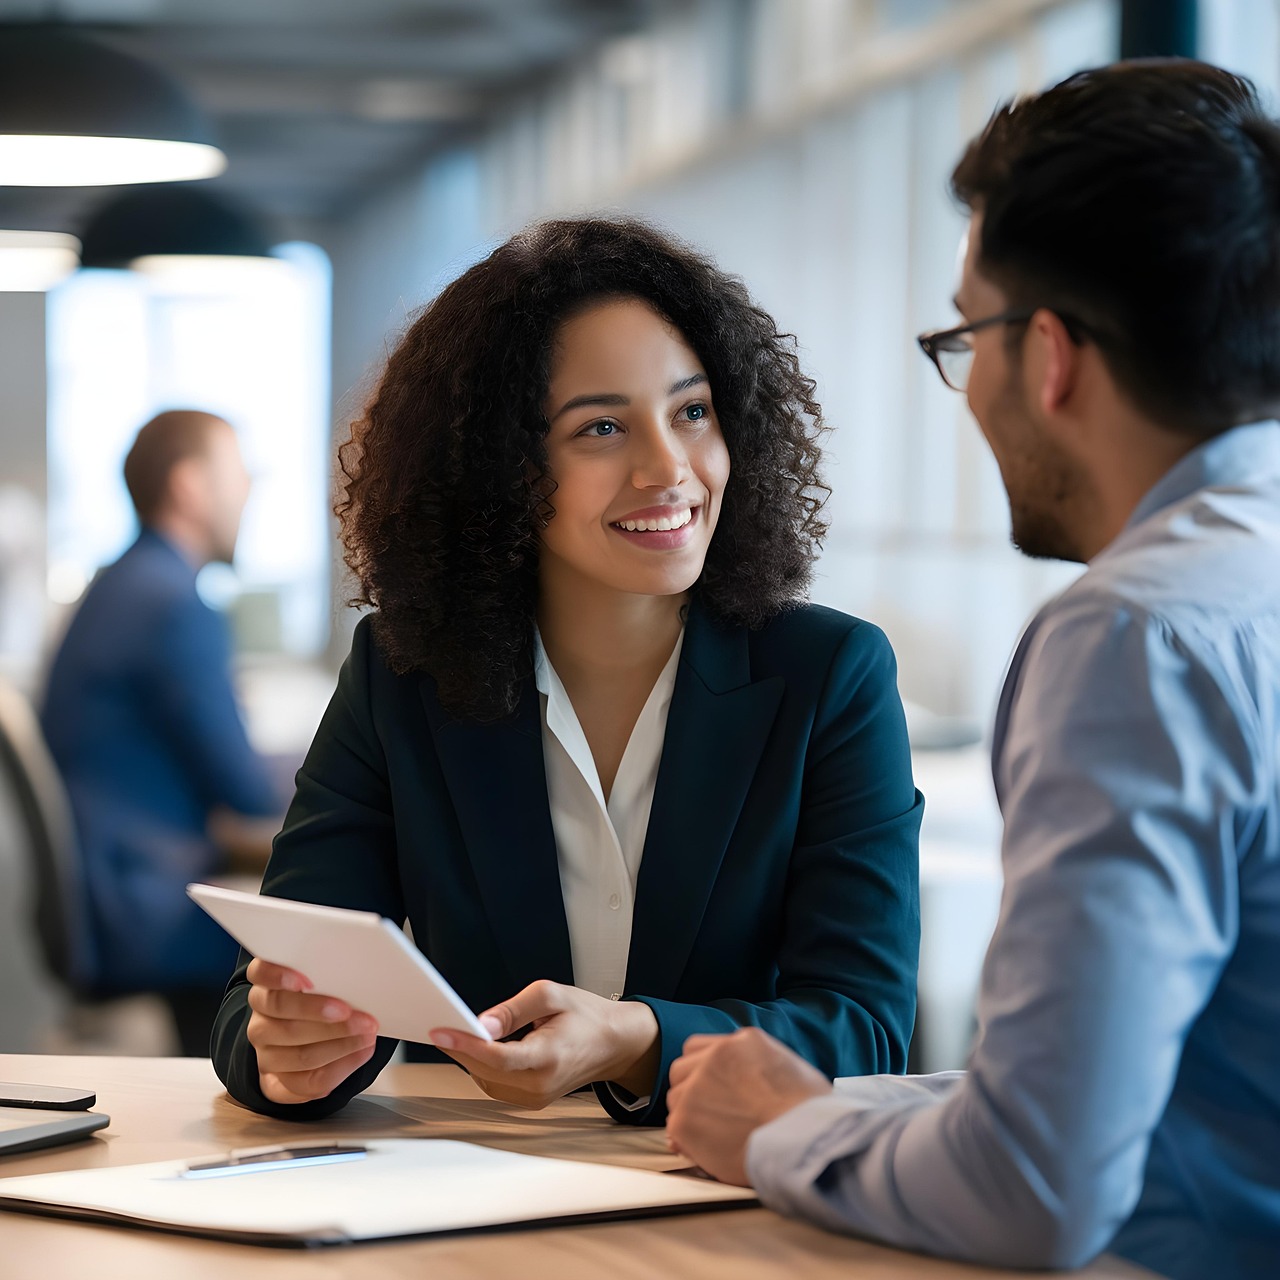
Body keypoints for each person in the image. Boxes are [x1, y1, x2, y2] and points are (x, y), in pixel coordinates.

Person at [664, 60, 1280, 1280]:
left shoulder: (1135, 637)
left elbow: (1036, 1187)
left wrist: (785, 1127)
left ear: (1046, 356)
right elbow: (1167, 1082)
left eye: (966, 335)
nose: (970, 388)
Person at [211, 217, 923, 1124]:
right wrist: (288, 1050)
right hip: (478, 1205)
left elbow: (864, 1027)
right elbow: (272, 989)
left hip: (732, 1205)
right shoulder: (403, 677)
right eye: (601, 429)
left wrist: (637, 1039)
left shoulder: (831, 676)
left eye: (693, 412)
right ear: (502, 471)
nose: (670, 467)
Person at [42, 410, 282, 1055]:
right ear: (190, 486)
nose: (249, 492)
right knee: (320, 948)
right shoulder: (173, 604)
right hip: (147, 907)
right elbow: (246, 792)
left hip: (107, 891)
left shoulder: (120, 585)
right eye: (238, 474)